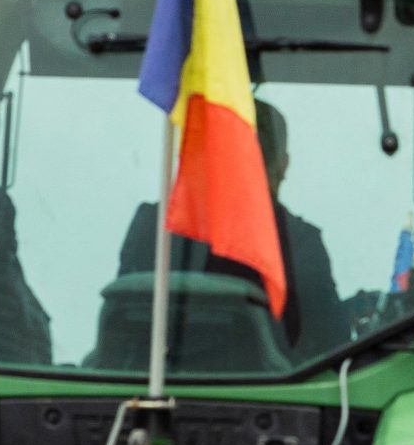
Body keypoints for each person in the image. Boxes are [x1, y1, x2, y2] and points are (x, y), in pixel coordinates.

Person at [119, 97, 342, 350]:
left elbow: (119, 329)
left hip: (145, 384)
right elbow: (333, 345)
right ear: (283, 164)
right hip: (275, 388)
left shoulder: (156, 227)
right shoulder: (300, 243)